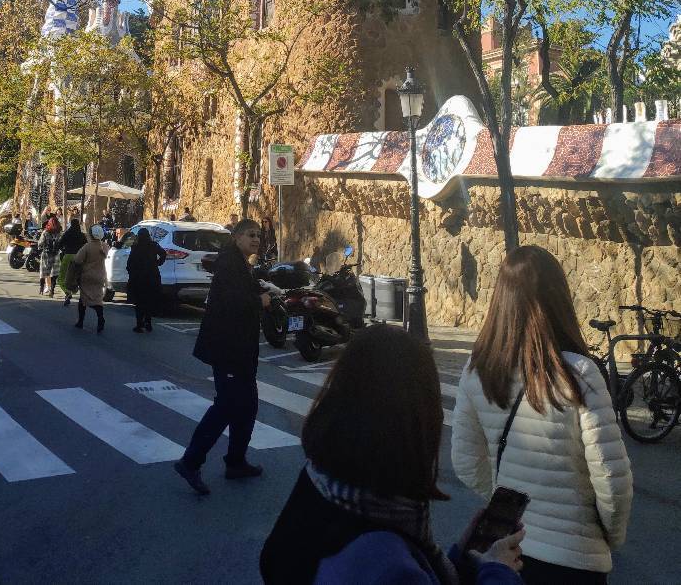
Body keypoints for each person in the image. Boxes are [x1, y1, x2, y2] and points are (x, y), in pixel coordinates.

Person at [261, 326, 523, 584]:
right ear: (417, 425)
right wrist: (499, 573)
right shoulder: (386, 562)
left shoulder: (319, 486)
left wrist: (463, 560)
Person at [452, 246, 633, 585]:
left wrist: (507, 504)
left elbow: (464, 460)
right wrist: (609, 535)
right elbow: (611, 476)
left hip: (508, 551)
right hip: (574, 560)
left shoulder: (477, 371)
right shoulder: (579, 374)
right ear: (559, 298)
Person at [174, 219, 270, 495]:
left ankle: (236, 462)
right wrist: (258, 300)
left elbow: (238, 294)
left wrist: (261, 290)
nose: (256, 239)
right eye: (250, 235)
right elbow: (231, 303)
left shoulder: (238, 263)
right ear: (237, 237)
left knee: (248, 404)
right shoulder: (230, 264)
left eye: (258, 236)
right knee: (227, 406)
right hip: (228, 349)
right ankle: (190, 461)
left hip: (240, 350)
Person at [126, 227, 167, 333]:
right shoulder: (153, 245)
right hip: (152, 277)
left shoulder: (135, 247)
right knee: (149, 300)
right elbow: (163, 253)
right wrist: (158, 263)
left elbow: (130, 262)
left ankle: (139, 324)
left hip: (139, 278)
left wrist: (131, 272)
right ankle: (148, 322)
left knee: (139, 302)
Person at [72, 225, 110, 332]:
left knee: (83, 300)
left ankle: (80, 321)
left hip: (87, 277)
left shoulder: (87, 247)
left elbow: (77, 260)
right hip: (100, 276)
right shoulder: (105, 246)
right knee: (97, 300)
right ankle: (100, 318)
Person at [58, 217, 88, 308]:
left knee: (61, 277)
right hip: (79, 257)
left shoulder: (67, 234)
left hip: (68, 256)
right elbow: (85, 245)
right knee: (78, 277)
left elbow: (59, 244)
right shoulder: (82, 235)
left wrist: (63, 250)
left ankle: (67, 292)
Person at [38, 215, 62, 296]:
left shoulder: (45, 232)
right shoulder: (59, 232)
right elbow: (61, 243)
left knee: (43, 272)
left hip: (46, 254)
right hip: (56, 254)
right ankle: (52, 290)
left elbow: (40, 243)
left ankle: (41, 288)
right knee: (54, 274)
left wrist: (40, 247)